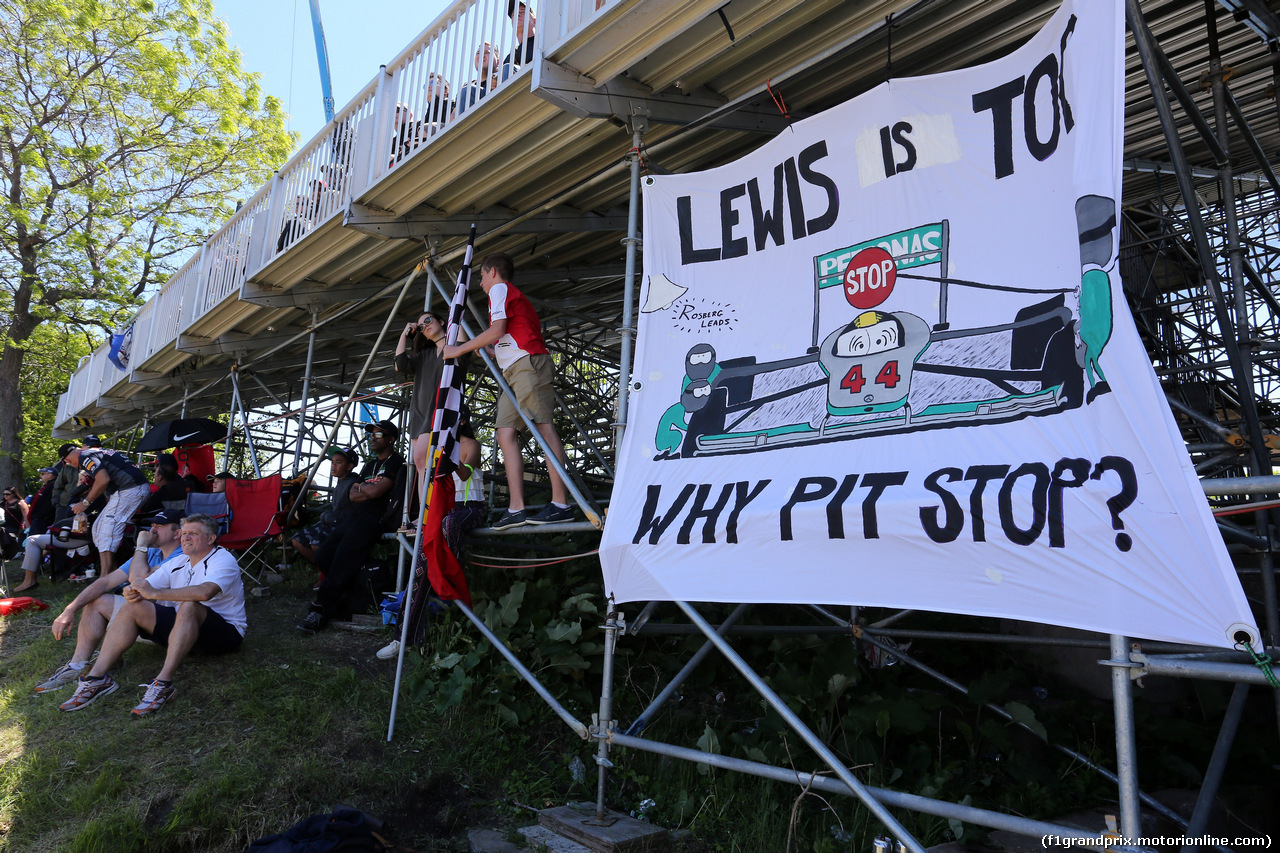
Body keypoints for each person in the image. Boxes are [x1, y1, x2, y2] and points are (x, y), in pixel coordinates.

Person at [59, 514, 246, 715]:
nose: (186, 538)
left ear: (210, 539)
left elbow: (205, 592)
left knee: (190, 604)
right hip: (183, 629)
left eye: (193, 534)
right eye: (184, 534)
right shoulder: (180, 561)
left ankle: (163, 683)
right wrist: (133, 591)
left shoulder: (222, 558)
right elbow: (145, 585)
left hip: (224, 634)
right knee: (133, 606)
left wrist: (155, 593)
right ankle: (97, 679)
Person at [442, 252, 573, 528]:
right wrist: (490, 350)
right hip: (515, 367)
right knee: (504, 433)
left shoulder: (500, 288)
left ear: (492, 272)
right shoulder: (504, 294)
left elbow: (497, 328)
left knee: (544, 428)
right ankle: (517, 507)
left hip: (527, 364)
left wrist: (461, 349)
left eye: (480, 275)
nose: (479, 282)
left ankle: (561, 503)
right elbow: (505, 334)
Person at [34, 511, 185, 694]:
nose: (152, 530)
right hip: (141, 615)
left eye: (159, 526)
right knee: (96, 600)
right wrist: (70, 609)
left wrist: (141, 546)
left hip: (169, 626)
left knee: (131, 600)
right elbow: (105, 582)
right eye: (152, 525)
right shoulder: (153, 552)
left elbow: (137, 580)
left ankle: (102, 670)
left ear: (177, 533)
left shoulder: (182, 556)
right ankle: (77, 665)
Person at [298, 420, 406, 634]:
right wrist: (370, 488)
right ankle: (349, 600)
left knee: (343, 557)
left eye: (378, 435)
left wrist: (366, 488)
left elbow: (374, 494)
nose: (372, 439)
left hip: (377, 517)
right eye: (371, 435)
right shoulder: (368, 465)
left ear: (391, 439)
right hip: (356, 515)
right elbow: (352, 494)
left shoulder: (396, 462)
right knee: (324, 555)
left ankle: (320, 609)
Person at [60, 442, 151, 579]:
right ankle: (114, 575)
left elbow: (103, 479)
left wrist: (85, 503)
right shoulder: (94, 452)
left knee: (107, 532)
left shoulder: (84, 456)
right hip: (128, 489)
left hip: (130, 488)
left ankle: (105, 579)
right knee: (97, 529)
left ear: (66, 460)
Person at [395, 312, 449, 498]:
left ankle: (429, 513)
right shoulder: (424, 355)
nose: (425, 326)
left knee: (424, 460)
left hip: (438, 411)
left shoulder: (453, 347)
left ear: (441, 322)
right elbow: (400, 365)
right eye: (420, 326)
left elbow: (461, 337)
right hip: (419, 413)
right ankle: (423, 516)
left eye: (428, 320)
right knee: (420, 465)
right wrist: (405, 334)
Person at [290, 446, 361, 567]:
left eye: (338, 462)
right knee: (297, 540)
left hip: (345, 525)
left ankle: (335, 572)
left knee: (317, 545)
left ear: (349, 466)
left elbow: (356, 513)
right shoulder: (340, 482)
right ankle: (325, 570)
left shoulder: (354, 484)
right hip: (332, 522)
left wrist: (331, 517)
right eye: (332, 462)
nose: (333, 466)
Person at [1, 485, 29, 560]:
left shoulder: (20, 503)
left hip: (13, 527)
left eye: (8, 494)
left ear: (14, 494)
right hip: (2, 526)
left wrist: (28, 527)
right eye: (4, 494)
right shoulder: (2, 503)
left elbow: (26, 516)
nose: (5, 496)